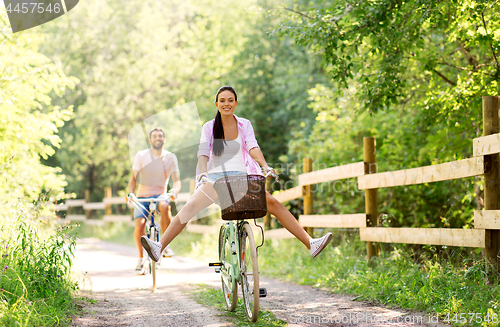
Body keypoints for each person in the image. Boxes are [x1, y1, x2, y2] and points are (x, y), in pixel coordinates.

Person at [141, 86, 332, 263]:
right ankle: (159, 247)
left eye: (230, 100)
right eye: (222, 100)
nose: (226, 104)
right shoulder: (209, 127)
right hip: (216, 181)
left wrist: (264, 166)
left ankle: (310, 244)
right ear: (216, 104)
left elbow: (252, 147)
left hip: (242, 178)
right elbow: (203, 154)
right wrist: (203, 174)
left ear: (236, 103)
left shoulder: (244, 124)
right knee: (190, 207)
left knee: (272, 202)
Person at [128, 127, 181, 275]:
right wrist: (131, 194)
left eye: (160, 136)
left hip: (160, 196)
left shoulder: (170, 157)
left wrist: (174, 192)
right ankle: (140, 259)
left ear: (164, 139)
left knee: (165, 206)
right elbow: (133, 179)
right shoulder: (141, 155)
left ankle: (165, 244)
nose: (157, 138)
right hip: (142, 197)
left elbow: (177, 182)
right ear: (150, 140)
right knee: (140, 226)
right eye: (154, 136)